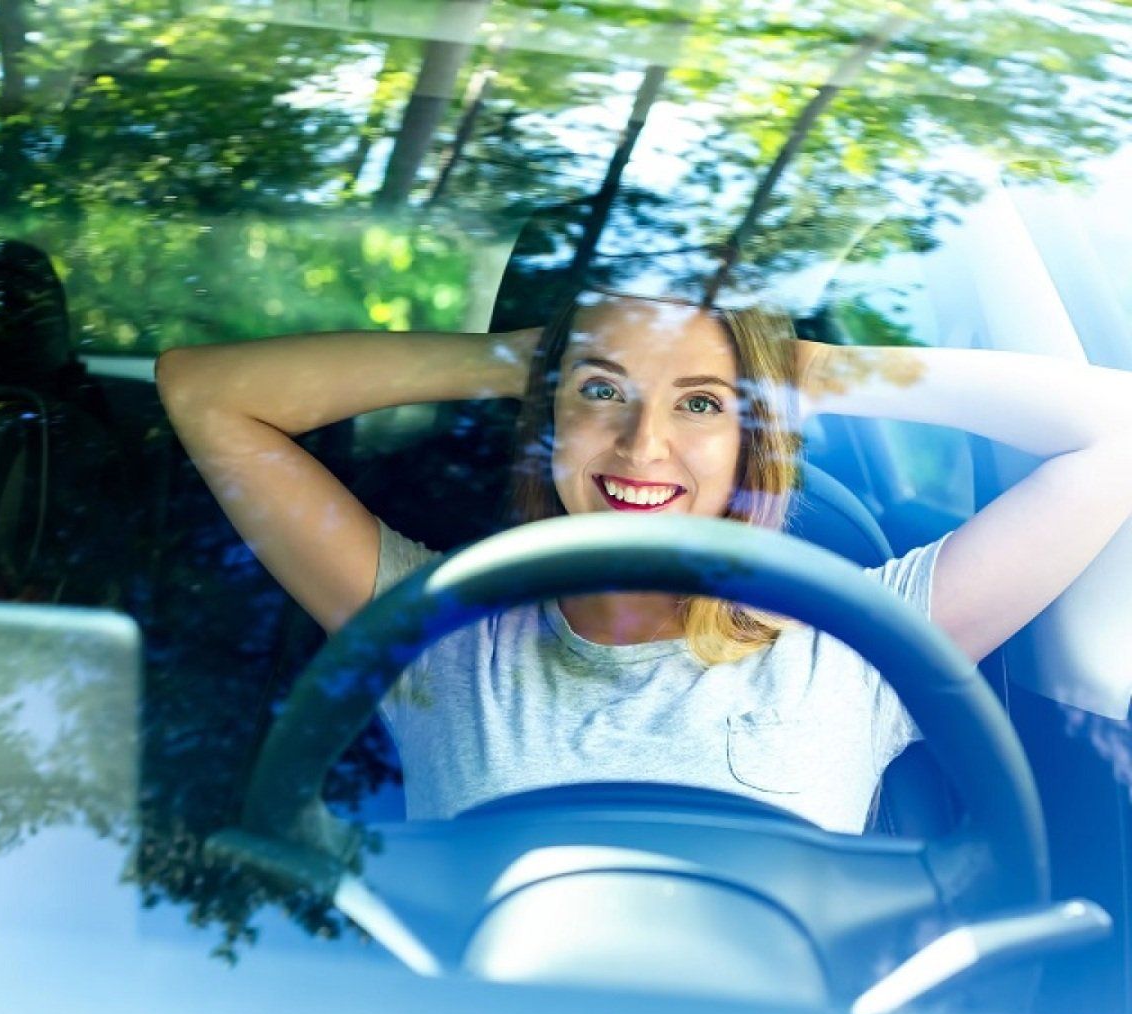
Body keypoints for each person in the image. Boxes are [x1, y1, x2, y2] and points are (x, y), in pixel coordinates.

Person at [156, 286, 1132, 834]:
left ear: (758, 441)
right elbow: (205, 392)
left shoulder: (863, 644)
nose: (641, 446)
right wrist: (516, 361)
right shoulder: (442, 632)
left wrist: (817, 371)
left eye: (702, 403)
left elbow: (1116, 432)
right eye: (601, 393)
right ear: (549, 423)